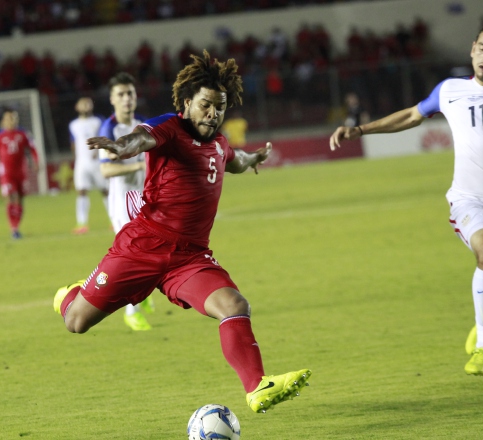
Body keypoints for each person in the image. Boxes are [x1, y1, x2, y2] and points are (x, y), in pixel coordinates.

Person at [53, 50, 311, 413]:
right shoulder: (169, 128)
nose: (214, 113)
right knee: (75, 322)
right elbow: (140, 140)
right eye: (206, 104)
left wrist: (254, 159)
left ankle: (257, 387)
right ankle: (69, 294)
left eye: (220, 107)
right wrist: (120, 147)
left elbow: (235, 161)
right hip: (141, 246)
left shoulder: (219, 144)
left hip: (189, 257)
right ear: (187, 103)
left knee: (235, 305)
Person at [329, 23, 483, 376]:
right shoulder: (449, 90)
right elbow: (412, 114)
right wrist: (360, 129)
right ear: (472, 50)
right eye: (482, 48)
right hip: (469, 199)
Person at [97, 72, 153, 331]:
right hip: (121, 201)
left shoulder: (142, 124)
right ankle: (132, 311)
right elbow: (106, 171)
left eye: (130, 93)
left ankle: (146, 291)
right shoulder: (108, 130)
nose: (127, 98)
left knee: (153, 247)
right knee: (134, 255)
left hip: (144, 196)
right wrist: (138, 165)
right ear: (112, 99)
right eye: (121, 94)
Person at [0, 108, 39, 239]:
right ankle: (13, 228)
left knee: (19, 199)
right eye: (7, 118)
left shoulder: (23, 134)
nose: (10, 121)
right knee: (10, 197)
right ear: (3, 121)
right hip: (6, 172)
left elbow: (33, 149)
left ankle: (17, 226)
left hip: (21, 171)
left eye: (12, 118)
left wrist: (36, 162)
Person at [69, 97, 108, 235]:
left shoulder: (99, 121)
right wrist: (76, 159)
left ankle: (114, 219)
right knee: (81, 191)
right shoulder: (73, 124)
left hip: (98, 162)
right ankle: (82, 223)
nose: (85, 105)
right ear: (77, 107)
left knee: (106, 190)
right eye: (82, 103)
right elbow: (73, 143)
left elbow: (105, 137)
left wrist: (99, 152)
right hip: (81, 163)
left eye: (88, 103)